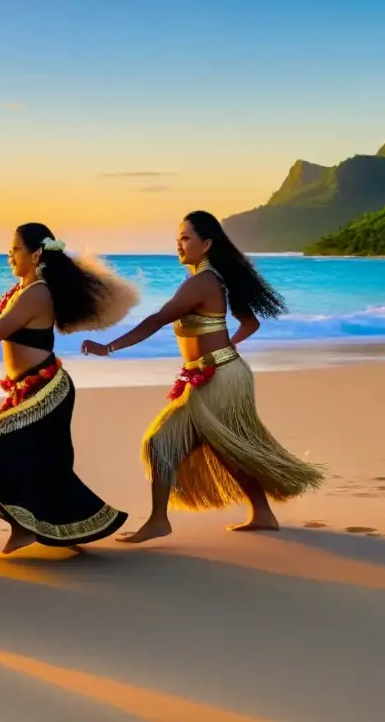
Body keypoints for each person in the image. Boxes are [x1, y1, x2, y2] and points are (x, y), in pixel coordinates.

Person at [81, 211, 325, 543]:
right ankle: (262, 514)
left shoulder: (203, 282)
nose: (179, 245)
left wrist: (108, 347)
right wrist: (225, 350)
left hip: (219, 378)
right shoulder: (216, 280)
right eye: (178, 238)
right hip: (217, 372)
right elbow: (249, 323)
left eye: (186, 238)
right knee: (227, 448)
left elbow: (157, 319)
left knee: (163, 442)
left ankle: (158, 521)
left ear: (206, 244)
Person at [0, 223, 137, 554]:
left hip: (46, 389)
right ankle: (53, 530)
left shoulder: (37, 293)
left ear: (36, 254)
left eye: (15, 249)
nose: (9, 254)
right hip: (25, 389)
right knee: (35, 464)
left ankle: (28, 529)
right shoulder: (19, 291)